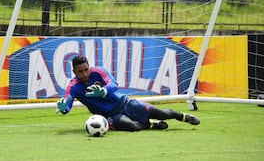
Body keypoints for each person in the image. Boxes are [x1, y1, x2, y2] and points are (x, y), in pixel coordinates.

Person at [56, 55, 200, 131]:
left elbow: (114, 85)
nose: (85, 73)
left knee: (164, 114)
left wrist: (104, 91)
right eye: (80, 72)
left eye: (86, 69)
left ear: (89, 66)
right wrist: (64, 109)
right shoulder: (73, 86)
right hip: (110, 115)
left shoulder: (99, 72)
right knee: (132, 127)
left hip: (125, 103)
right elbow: (67, 101)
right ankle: (151, 125)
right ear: (74, 72)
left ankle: (183, 117)